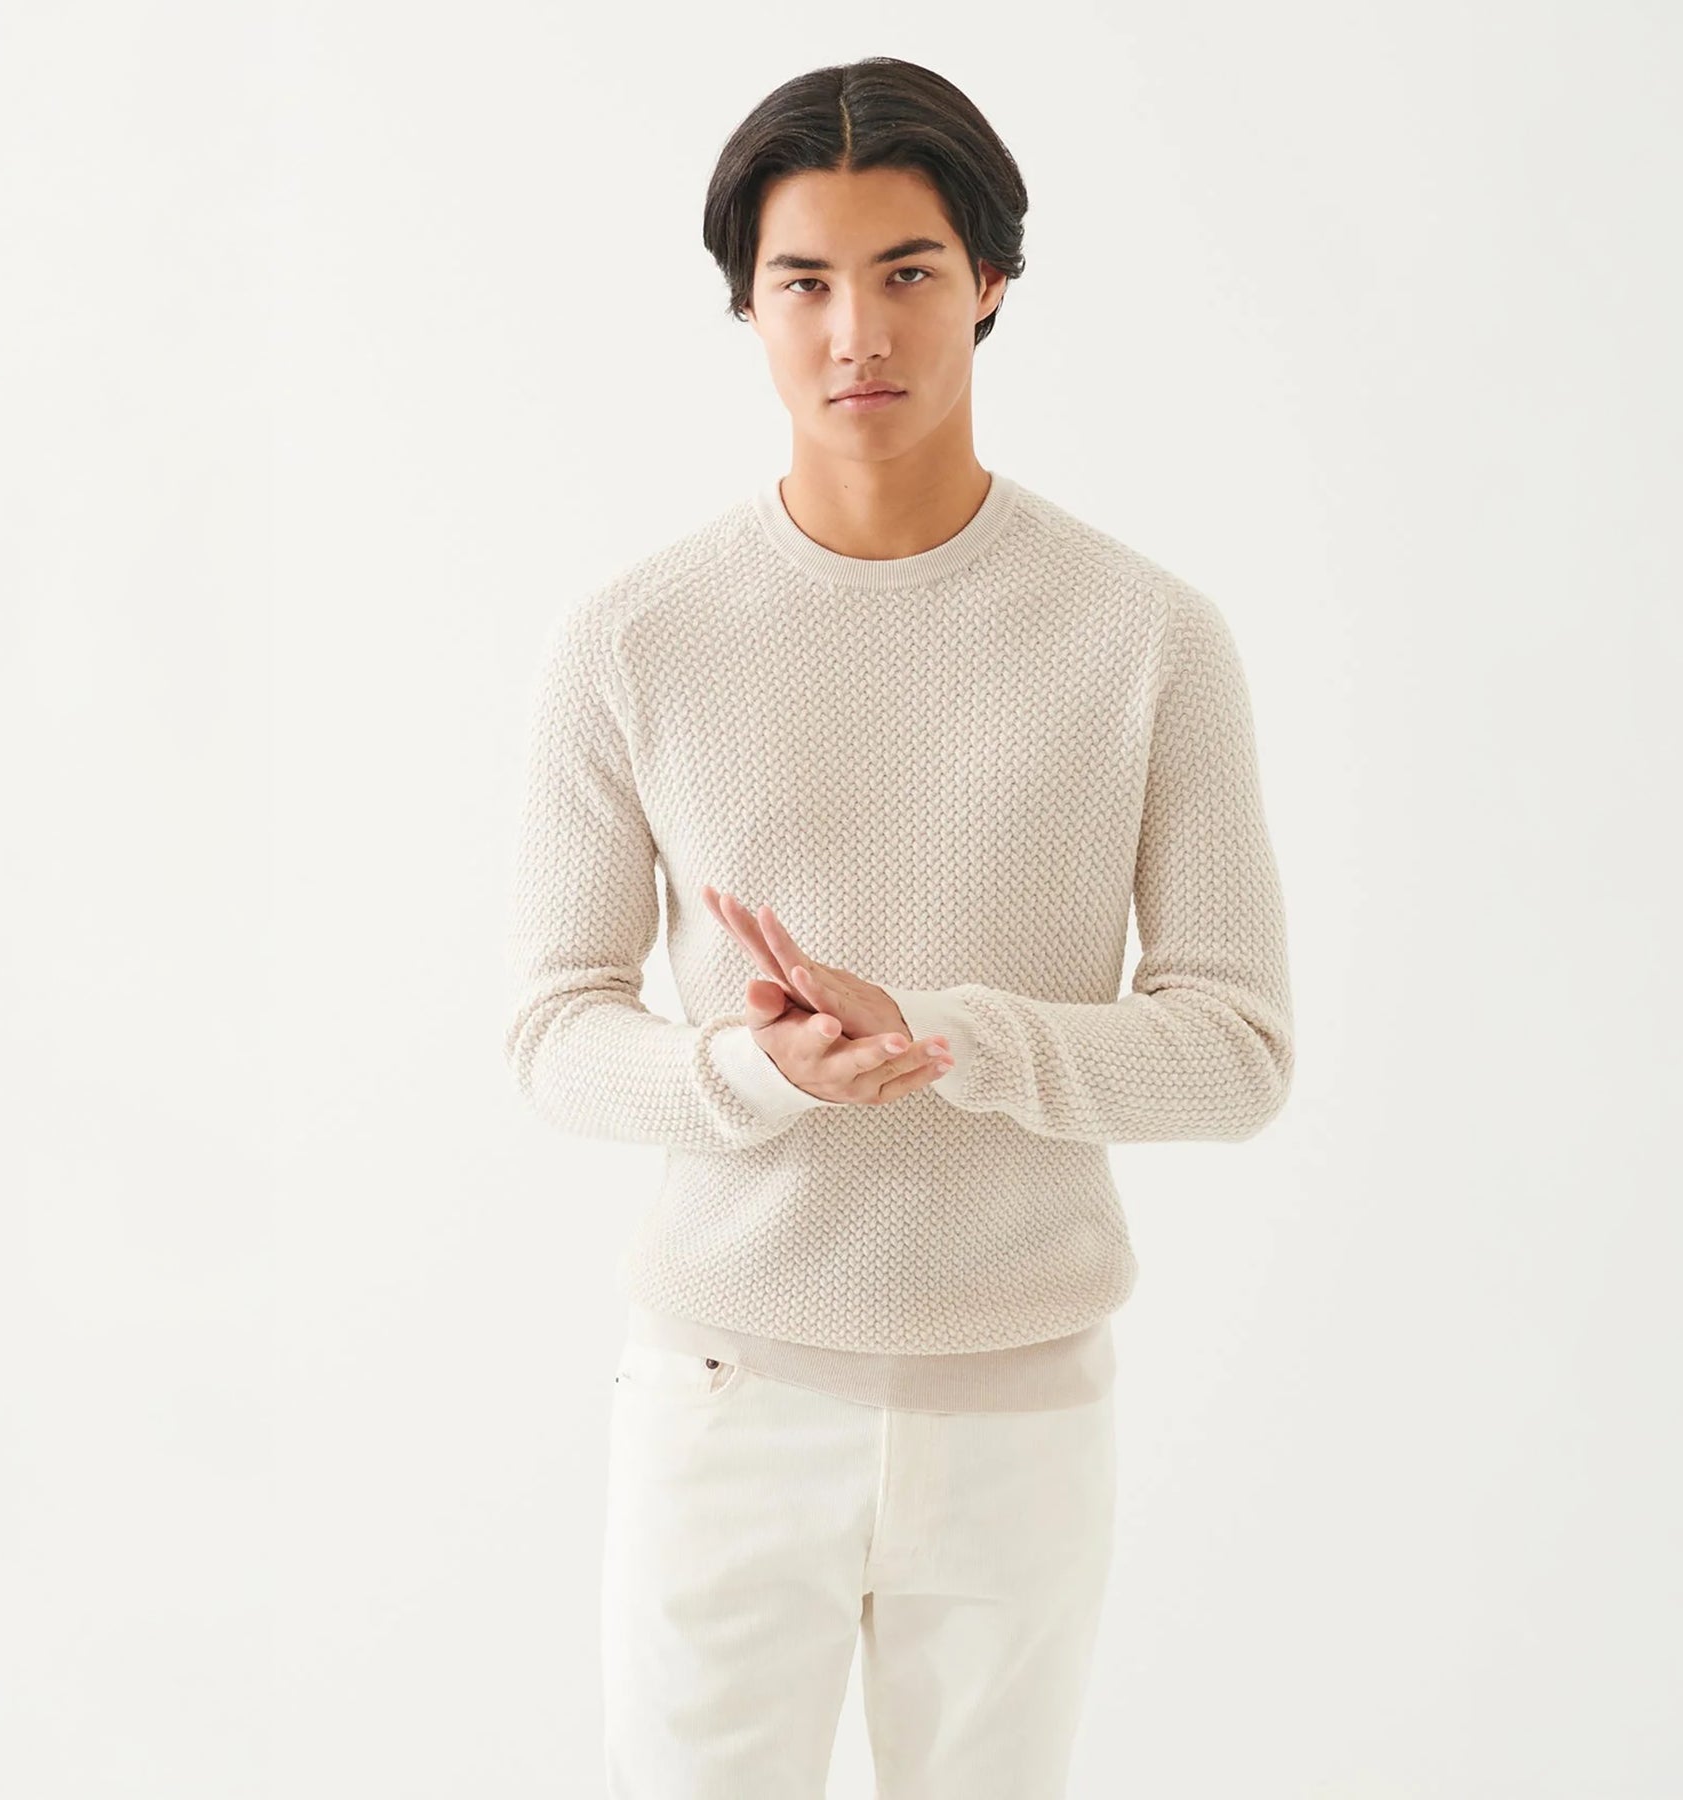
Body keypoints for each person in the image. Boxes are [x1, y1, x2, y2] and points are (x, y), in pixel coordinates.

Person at [503, 53, 1296, 1800]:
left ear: (991, 281)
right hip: (724, 1401)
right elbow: (553, 1029)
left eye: (908, 272)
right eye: (804, 282)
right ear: (747, 305)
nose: (856, 331)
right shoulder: (635, 639)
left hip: (1018, 1415)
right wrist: (756, 1070)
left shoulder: (1148, 636)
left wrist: (953, 1039)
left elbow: (1240, 1051)